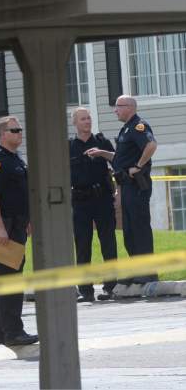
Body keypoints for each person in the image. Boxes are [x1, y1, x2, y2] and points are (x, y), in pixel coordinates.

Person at [87, 95, 158, 285]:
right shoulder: (126, 128)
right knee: (129, 230)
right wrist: (102, 153)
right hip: (126, 186)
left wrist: (138, 165)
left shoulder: (138, 126)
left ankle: (149, 272)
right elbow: (119, 158)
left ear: (129, 107)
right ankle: (137, 271)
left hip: (136, 186)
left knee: (139, 228)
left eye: (118, 106)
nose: (115, 110)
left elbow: (151, 145)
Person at [0, 116, 38, 346]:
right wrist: (0, 229)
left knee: (7, 280)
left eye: (20, 130)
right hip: (5, 228)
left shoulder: (14, 160)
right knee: (11, 282)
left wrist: (29, 219)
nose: (19, 133)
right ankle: (13, 332)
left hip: (16, 226)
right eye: (15, 130)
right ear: (3, 134)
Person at [69, 107, 118, 302]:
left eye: (89, 118)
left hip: (102, 198)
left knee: (108, 242)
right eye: (83, 119)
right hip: (80, 201)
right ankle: (86, 290)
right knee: (82, 245)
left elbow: (118, 161)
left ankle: (111, 286)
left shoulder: (101, 142)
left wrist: (102, 153)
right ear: (75, 123)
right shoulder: (69, 146)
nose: (87, 122)